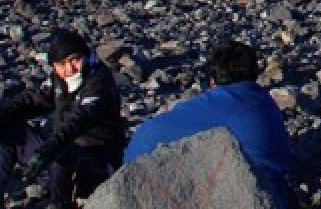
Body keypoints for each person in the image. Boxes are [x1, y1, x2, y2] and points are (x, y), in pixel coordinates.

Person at [124, 40, 291, 204]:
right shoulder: (263, 99)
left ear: (213, 80)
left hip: (248, 194)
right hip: (277, 190)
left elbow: (146, 136)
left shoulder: (218, 103)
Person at [0, 29, 127, 209]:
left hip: (94, 158)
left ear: (84, 56)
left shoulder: (99, 81)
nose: (69, 69)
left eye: (74, 60)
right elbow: (32, 101)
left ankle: (60, 203)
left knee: (61, 155)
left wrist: (47, 151)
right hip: (58, 149)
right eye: (62, 64)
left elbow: (77, 123)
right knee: (3, 131)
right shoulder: (58, 79)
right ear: (54, 66)